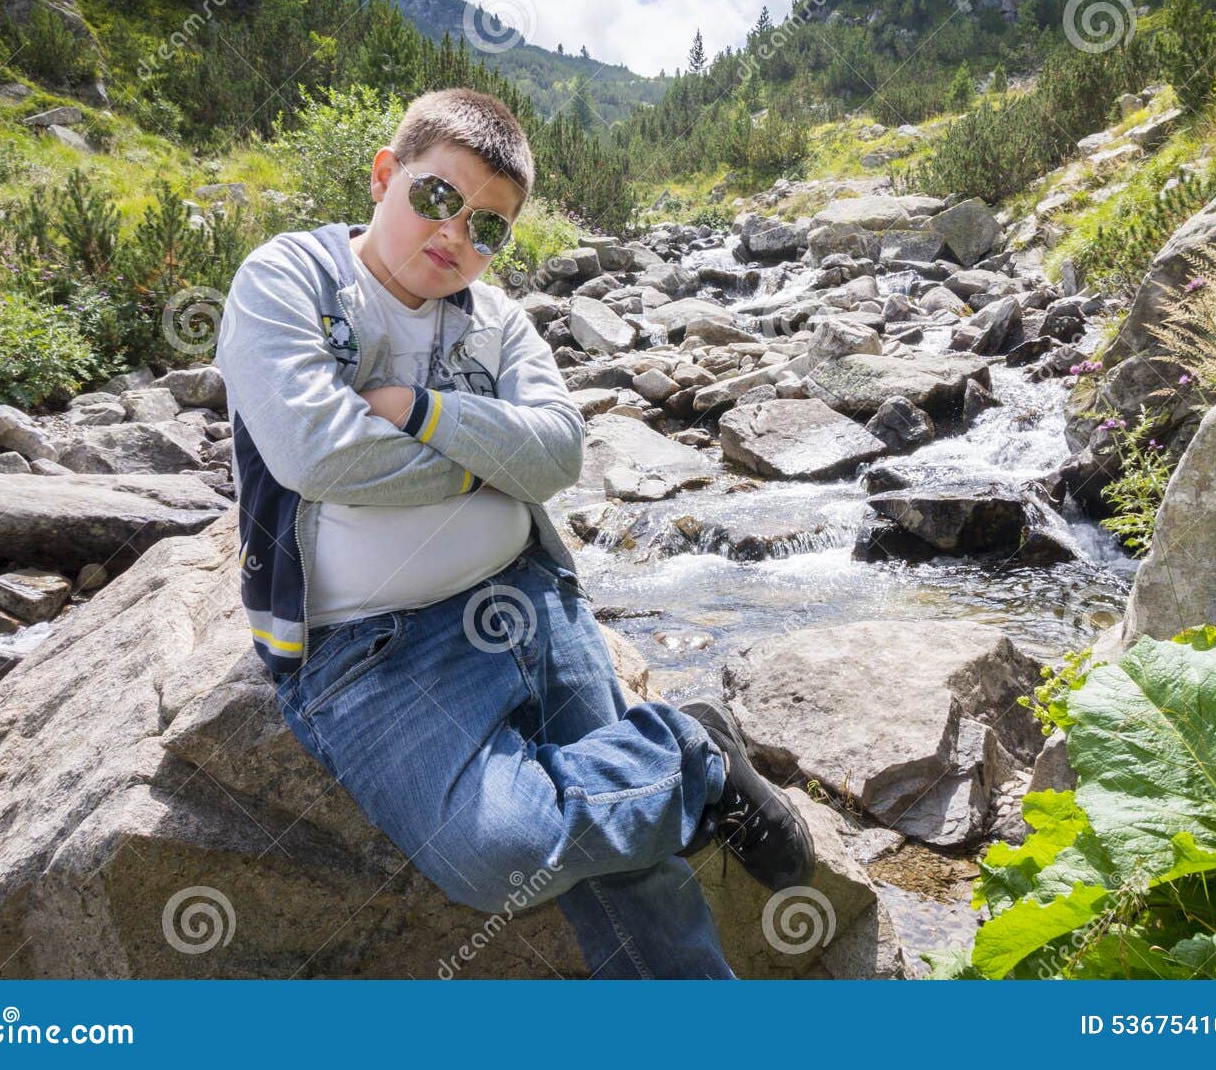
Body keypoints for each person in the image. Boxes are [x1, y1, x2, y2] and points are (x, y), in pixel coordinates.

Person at [214, 87, 814, 978]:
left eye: (488, 228)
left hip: (529, 593)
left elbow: (561, 449)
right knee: (498, 852)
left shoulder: (496, 318)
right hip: (367, 652)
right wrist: (489, 456)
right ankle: (692, 759)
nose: (456, 237)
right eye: (435, 199)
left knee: (631, 865)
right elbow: (316, 452)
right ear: (384, 174)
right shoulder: (286, 280)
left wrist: (418, 407)